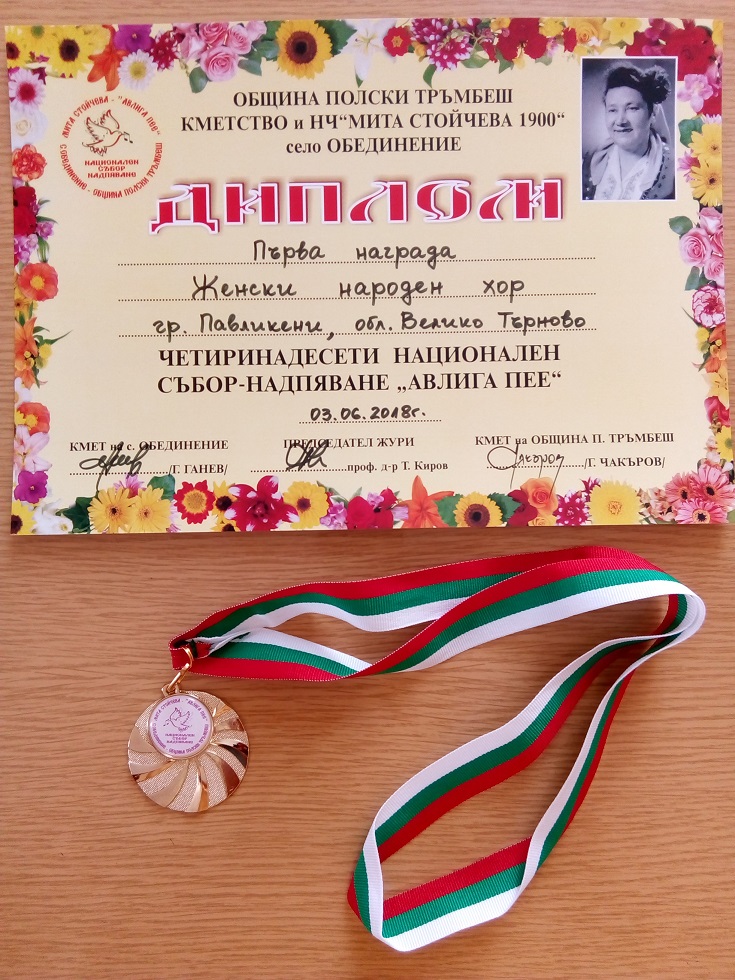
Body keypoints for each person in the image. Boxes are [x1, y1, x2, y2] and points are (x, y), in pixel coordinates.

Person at [583, 64, 674, 201]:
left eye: (632, 108)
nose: (620, 120)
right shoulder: (591, 162)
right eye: (613, 110)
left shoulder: (673, 170)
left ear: (653, 113)